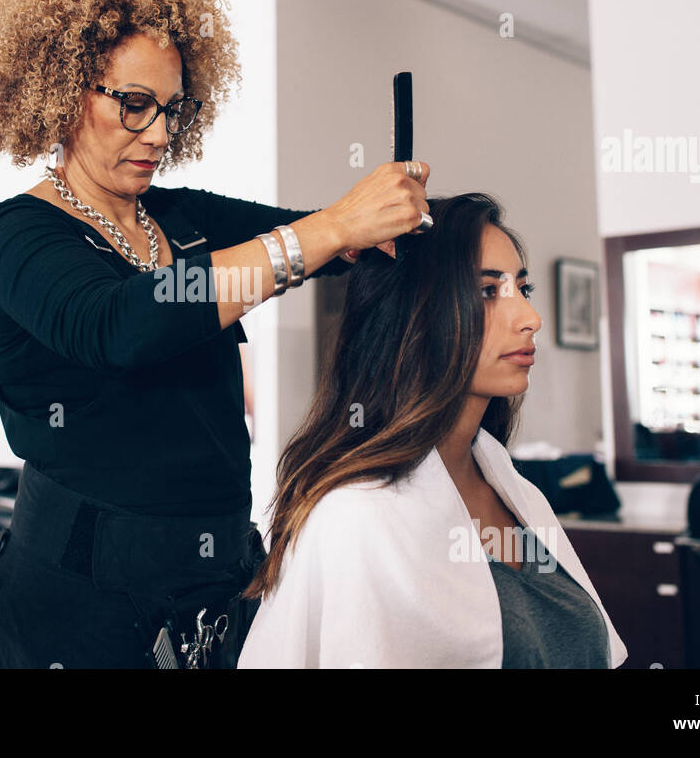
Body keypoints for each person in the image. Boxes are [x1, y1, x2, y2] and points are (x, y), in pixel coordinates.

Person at [0, 0, 432, 668]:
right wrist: (333, 226)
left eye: (172, 110)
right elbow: (125, 323)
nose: (158, 134)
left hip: (212, 581)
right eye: (133, 105)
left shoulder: (180, 217)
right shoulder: (19, 236)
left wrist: (376, 224)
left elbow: (321, 243)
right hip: (76, 600)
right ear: (61, 91)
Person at [237, 193, 628, 668]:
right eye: (488, 292)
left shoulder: (520, 495)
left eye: (522, 290)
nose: (530, 319)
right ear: (414, 315)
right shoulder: (356, 517)